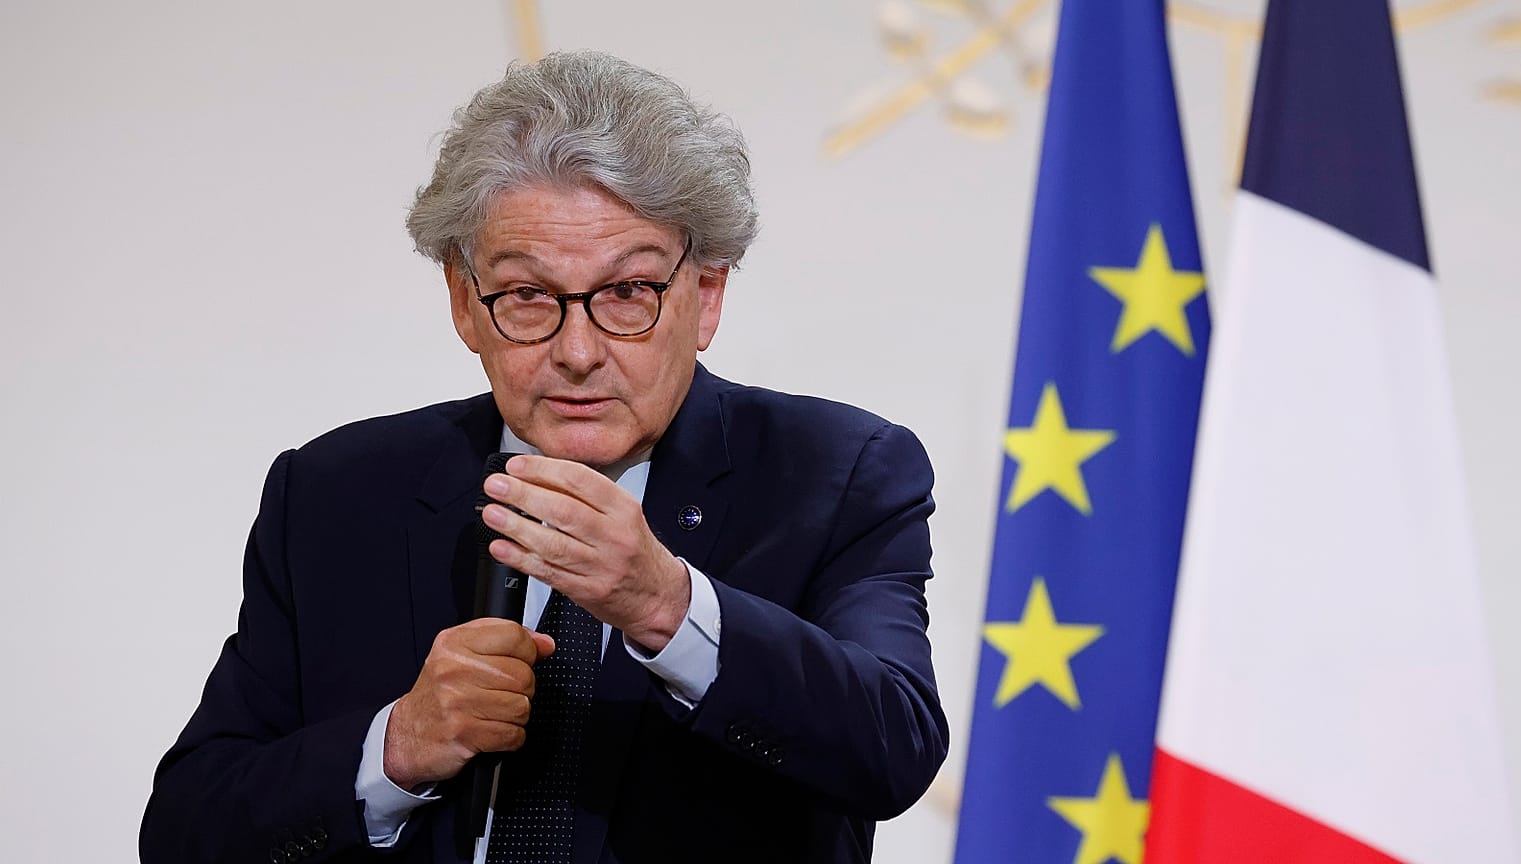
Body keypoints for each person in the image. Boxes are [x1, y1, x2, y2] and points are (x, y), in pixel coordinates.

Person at [140, 51, 947, 864]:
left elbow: (895, 749)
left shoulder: (838, 473)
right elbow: (184, 832)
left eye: (627, 293)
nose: (578, 350)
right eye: (529, 296)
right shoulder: (335, 493)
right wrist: (394, 749)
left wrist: (669, 607)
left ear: (704, 296)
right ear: (465, 303)